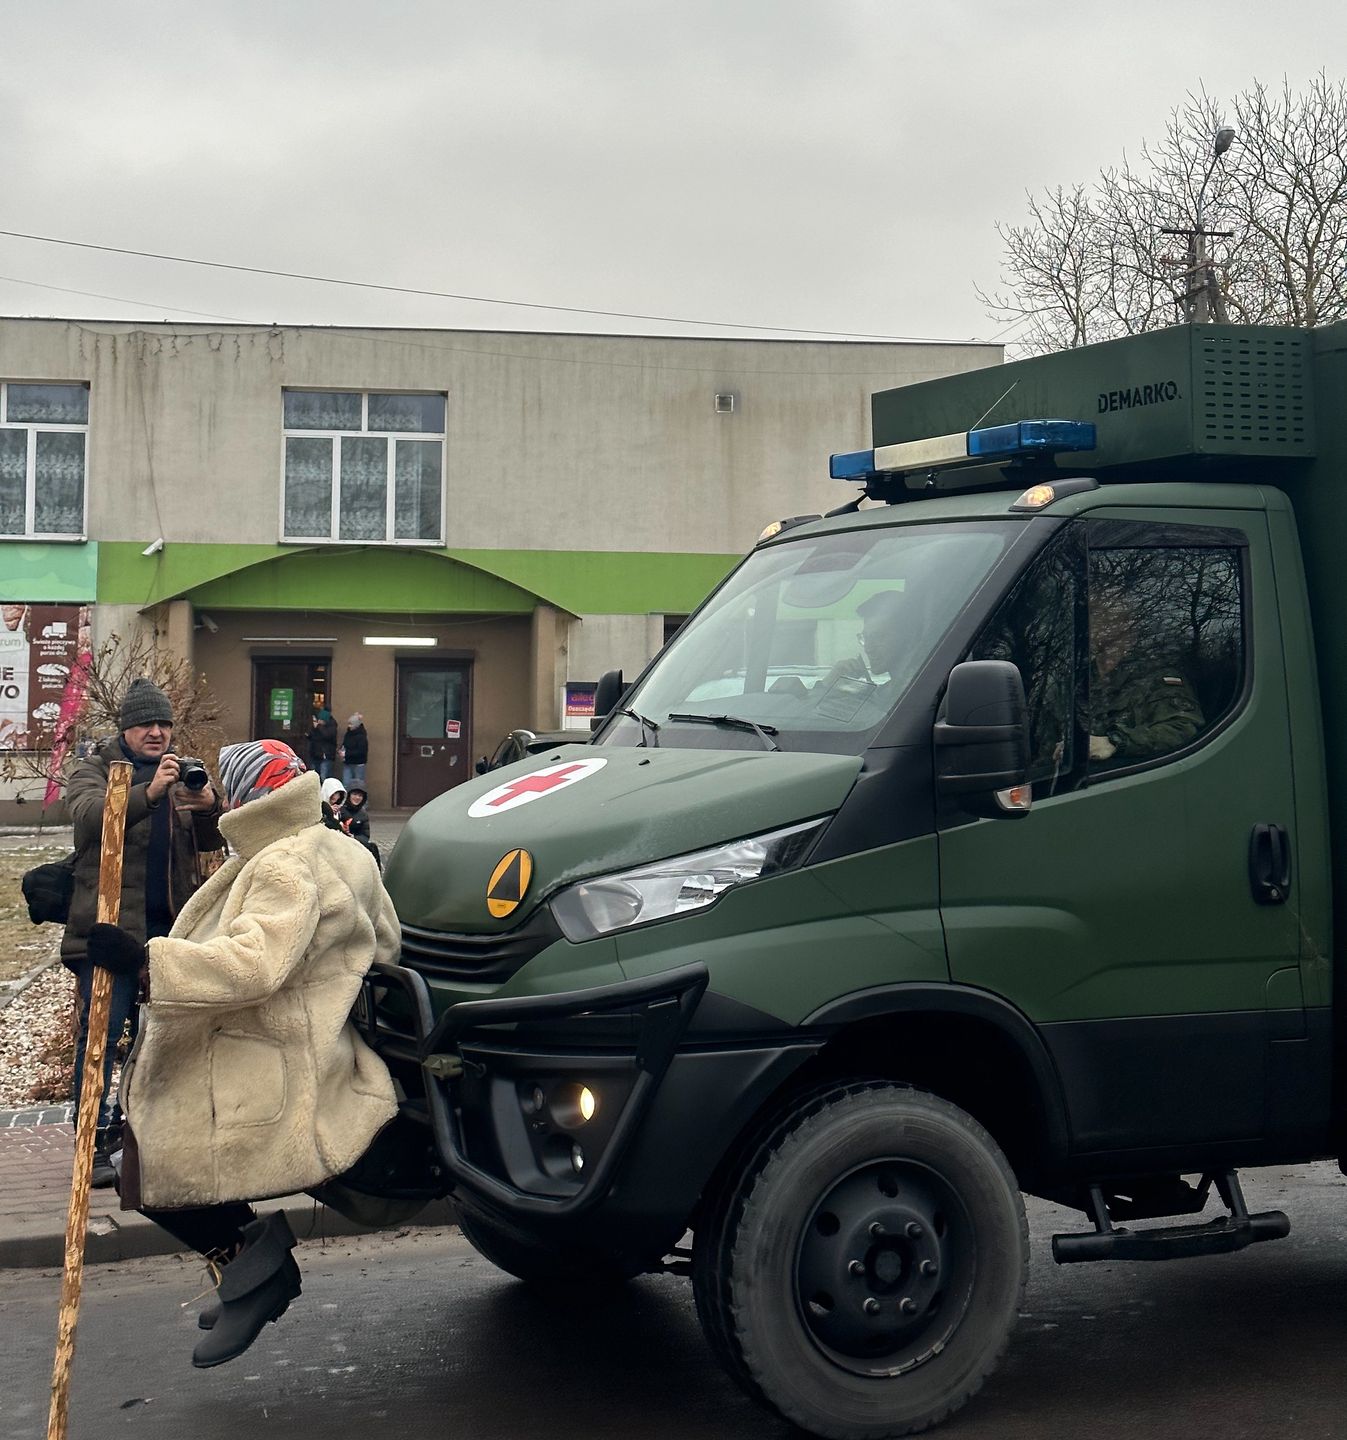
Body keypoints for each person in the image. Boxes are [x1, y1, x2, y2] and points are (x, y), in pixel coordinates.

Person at [86, 738, 399, 1368]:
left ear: (251, 795)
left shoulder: (284, 861)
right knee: (150, 1147)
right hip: (296, 1033)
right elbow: (385, 943)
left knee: (147, 1157)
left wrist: (147, 964)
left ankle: (255, 1270)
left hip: (279, 1050)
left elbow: (255, 964)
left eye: (229, 792)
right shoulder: (328, 844)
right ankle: (244, 1269)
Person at [62, 677, 223, 1186]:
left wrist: (210, 809)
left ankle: (142, 1137)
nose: (157, 733)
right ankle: (91, 1138)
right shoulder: (95, 768)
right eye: (146, 724)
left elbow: (207, 843)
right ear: (125, 729)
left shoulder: (183, 771)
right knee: (101, 1039)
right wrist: (148, 793)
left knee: (156, 1040)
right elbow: (90, 819)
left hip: (166, 935)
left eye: (164, 724)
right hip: (110, 933)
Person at [1087, 596, 1204, 762]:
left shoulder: (1157, 676)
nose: (1107, 629)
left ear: (1132, 632)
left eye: (1115, 621)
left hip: (1133, 777)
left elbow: (1183, 729)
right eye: (1099, 619)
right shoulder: (1073, 683)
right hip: (1065, 783)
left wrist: (1117, 741)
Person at [341, 784, 381, 869]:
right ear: (349, 795)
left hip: (356, 843)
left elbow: (365, 835)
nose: (357, 798)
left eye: (360, 795)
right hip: (340, 842)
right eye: (354, 794)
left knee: (373, 848)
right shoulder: (340, 810)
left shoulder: (363, 814)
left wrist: (354, 838)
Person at [307, 705, 337, 781]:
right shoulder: (318, 727)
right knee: (314, 777)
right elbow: (312, 737)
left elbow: (327, 735)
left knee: (324, 777)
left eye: (321, 720)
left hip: (326, 755)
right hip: (316, 754)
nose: (319, 721)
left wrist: (318, 727)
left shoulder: (332, 726)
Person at [340, 712, 368, 787]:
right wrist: (342, 750)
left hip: (358, 763)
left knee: (358, 785)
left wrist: (346, 753)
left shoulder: (361, 736)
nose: (349, 726)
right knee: (346, 784)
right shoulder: (348, 734)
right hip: (348, 762)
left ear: (356, 725)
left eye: (351, 724)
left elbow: (361, 752)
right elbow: (344, 744)